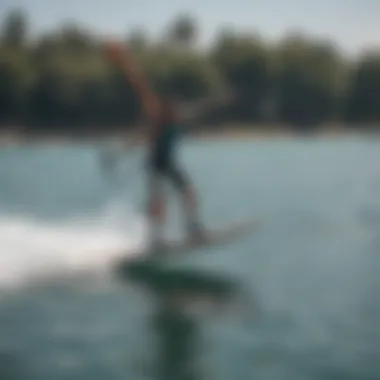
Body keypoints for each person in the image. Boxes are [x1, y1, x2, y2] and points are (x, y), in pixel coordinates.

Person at [104, 41, 232, 251]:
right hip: (155, 164)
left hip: (169, 163)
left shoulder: (178, 116)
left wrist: (221, 100)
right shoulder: (156, 114)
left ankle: (193, 229)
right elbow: (139, 83)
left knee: (189, 193)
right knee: (158, 202)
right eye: (171, 109)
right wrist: (123, 60)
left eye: (175, 110)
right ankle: (154, 238)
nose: (175, 113)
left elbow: (202, 107)